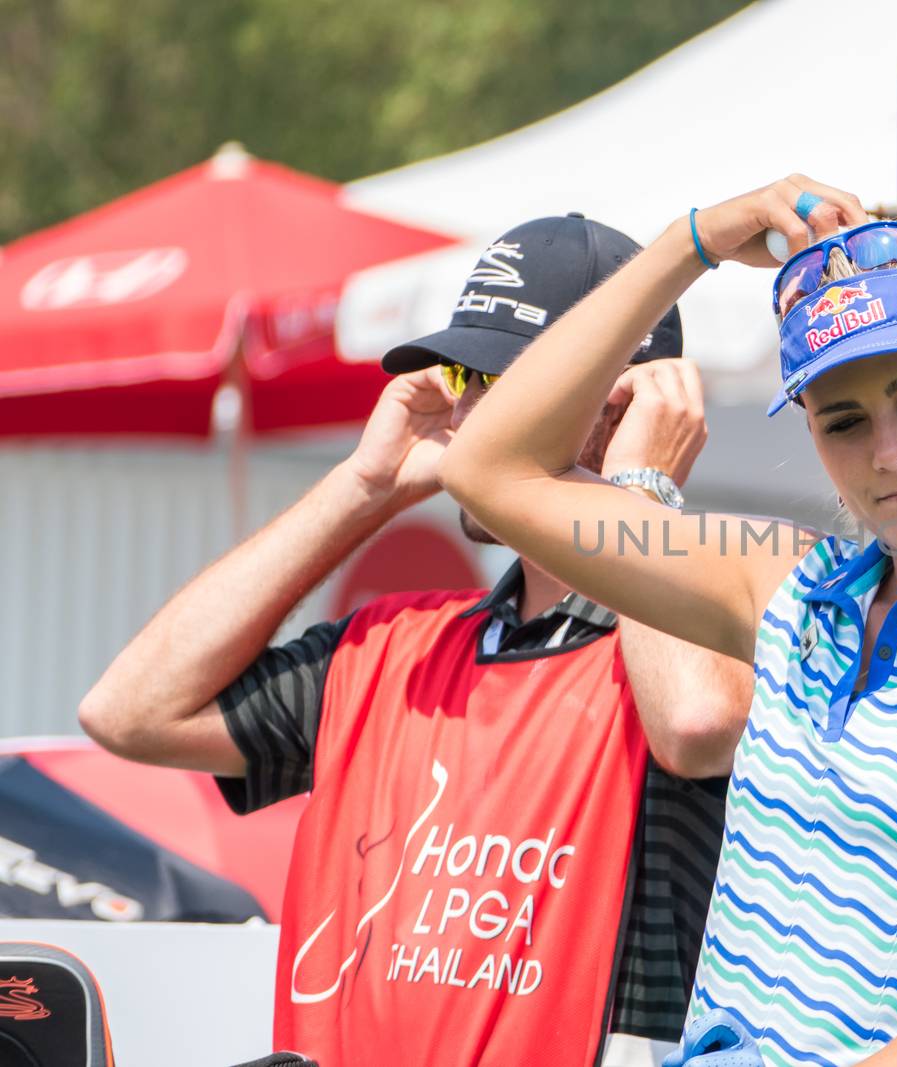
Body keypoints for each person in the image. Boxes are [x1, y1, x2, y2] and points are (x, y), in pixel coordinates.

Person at [439, 178, 897, 1065]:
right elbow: (487, 467)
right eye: (845, 419)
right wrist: (692, 241)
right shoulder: (789, 581)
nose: (890, 451)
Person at [78, 215, 752, 1067]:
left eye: (507, 383)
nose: (469, 410)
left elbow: (695, 722)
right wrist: (363, 488)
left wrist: (640, 490)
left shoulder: (704, 638)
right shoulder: (395, 646)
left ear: (624, 406)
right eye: (466, 374)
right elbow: (129, 710)